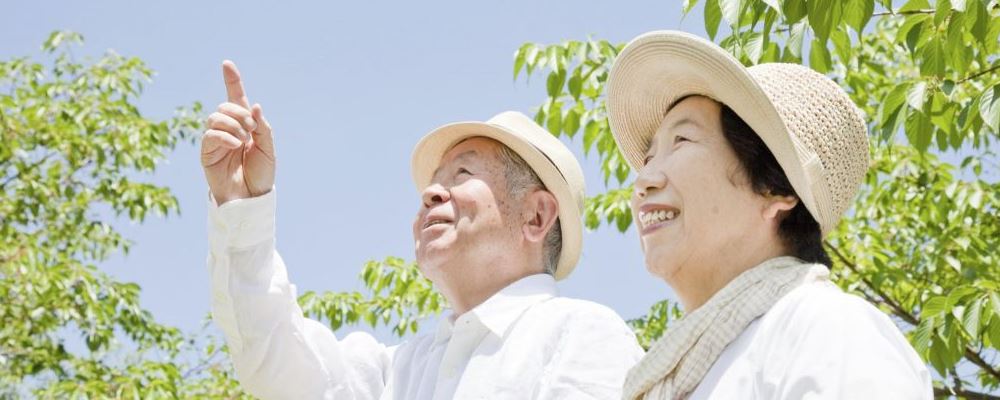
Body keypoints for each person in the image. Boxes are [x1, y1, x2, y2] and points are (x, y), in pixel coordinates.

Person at [200, 60, 643, 399]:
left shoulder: (580, 334)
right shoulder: (399, 371)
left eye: (462, 172)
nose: (431, 192)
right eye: (434, 180)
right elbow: (275, 355)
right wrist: (242, 204)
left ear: (536, 217)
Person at [604, 31, 932, 399]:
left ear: (776, 188)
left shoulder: (823, 328)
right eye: (649, 157)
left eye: (682, 141)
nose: (643, 180)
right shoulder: (682, 372)